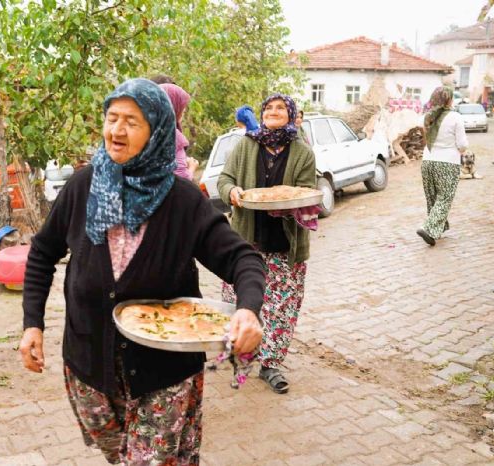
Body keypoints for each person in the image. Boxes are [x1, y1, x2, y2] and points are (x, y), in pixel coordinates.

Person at [20, 78, 265, 465]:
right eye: (111, 117)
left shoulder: (183, 201)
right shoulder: (83, 187)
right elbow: (42, 253)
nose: (116, 130)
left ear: (157, 130)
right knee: (116, 453)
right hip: (89, 363)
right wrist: (32, 323)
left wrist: (248, 309)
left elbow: (243, 260)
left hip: (163, 371)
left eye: (131, 121)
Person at [217, 93, 316, 395]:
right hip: (247, 241)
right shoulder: (245, 145)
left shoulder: (302, 152)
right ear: (261, 114)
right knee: (244, 300)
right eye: (269, 108)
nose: (274, 112)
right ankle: (244, 351)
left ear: (291, 115)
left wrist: (291, 204)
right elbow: (224, 180)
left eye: (280, 108)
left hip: (285, 244)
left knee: (281, 307)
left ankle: (271, 364)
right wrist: (233, 191)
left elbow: (308, 192)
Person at [417, 87, 468, 246]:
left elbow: (426, 139)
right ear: (449, 100)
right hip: (447, 162)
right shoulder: (456, 117)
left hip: (427, 161)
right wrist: (463, 149)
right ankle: (429, 228)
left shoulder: (427, 117)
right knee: (444, 197)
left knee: (433, 197)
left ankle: (439, 227)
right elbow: (462, 145)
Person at [160, 83, 199, 180]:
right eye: (182, 106)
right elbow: (182, 179)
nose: (183, 110)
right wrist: (191, 167)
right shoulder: (171, 136)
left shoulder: (145, 134)